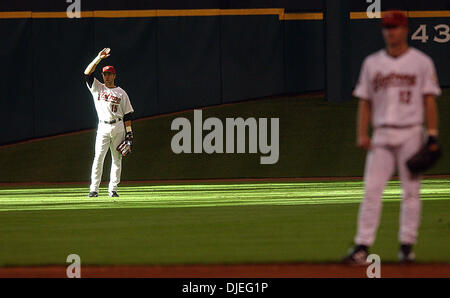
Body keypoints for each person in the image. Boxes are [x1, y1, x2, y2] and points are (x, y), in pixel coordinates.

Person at [342, 11, 441, 264]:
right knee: (372, 190)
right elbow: (365, 102)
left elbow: (429, 101)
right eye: (387, 28)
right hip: (382, 134)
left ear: (405, 30)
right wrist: (362, 133)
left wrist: (432, 135)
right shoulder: (372, 63)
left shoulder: (421, 62)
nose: (390, 32)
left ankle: (407, 247)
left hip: (410, 132)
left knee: (411, 192)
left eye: (395, 27)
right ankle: (363, 245)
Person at [84, 48, 134, 198]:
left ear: (114, 75)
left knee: (117, 158)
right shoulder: (97, 87)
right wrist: (98, 58)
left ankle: (113, 189)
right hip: (103, 126)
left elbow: (128, 115)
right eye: (104, 73)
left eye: (109, 74)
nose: (106, 76)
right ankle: (94, 189)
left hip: (118, 126)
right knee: (99, 157)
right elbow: (87, 73)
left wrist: (129, 132)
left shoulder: (121, 92)